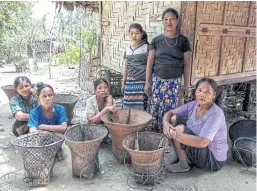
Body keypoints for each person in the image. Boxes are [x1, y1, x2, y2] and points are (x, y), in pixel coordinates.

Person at [163, 78, 228, 172]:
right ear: (195, 92)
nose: (202, 94)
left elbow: (203, 143)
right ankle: (180, 156)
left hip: (213, 160)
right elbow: (170, 113)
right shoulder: (194, 105)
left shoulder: (216, 114)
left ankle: (183, 165)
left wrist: (174, 134)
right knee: (173, 119)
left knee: (179, 129)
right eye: (200, 90)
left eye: (207, 92)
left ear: (214, 95)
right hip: (201, 148)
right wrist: (166, 124)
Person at [144, 8, 192, 133]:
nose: (168, 22)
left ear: (177, 20)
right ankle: (154, 134)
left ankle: (166, 134)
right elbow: (149, 63)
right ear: (162, 22)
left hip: (174, 82)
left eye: (172, 19)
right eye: (166, 19)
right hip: (157, 80)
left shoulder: (183, 41)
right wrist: (147, 83)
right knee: (155, 108)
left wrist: (186, 84)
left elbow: (187, 63)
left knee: (170, 109)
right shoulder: (156, 40)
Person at [121, 23, 149, 110]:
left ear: (141, 34)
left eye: (137, 33)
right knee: (127, 106)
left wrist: (148, 83)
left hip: (141, 82)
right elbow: (126, 67)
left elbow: (149, 66)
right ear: (129, 34)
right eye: (132, 33)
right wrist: (123, 82)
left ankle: (140, 123)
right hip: (130, 82)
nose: (134, 36)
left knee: (141, 107)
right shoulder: (128, 49)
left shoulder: (146, 48)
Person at [85, 78, 117, 144]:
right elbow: (91, 121)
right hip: (93, 129)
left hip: (106, 129)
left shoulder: (111, 100)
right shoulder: (90, 101)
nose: (103, 90)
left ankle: (106, 137)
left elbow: (112, 119)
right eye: (100, 88)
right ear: (95, 90)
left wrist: (109, 102)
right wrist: (106, 108)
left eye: (105, 87)